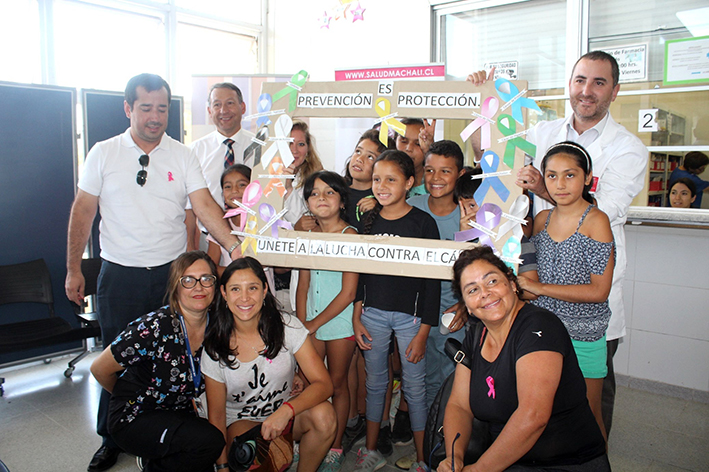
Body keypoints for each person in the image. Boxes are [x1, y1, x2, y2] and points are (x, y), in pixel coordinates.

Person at [65, 73, 241, 471]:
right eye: (146, 108)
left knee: (175, 358)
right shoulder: (103, 152)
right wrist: (73, 268)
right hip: (120, 275)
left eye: (162, 109)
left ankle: (162, 430)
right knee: (118, 357)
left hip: (171, 277)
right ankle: (112, 436)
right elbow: (83, 211)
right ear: (128, 108)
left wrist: (234, 247)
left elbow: (204, 205)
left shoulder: (182, 155)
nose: (155, 117)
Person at [469, 50, 648, 435]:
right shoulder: (542, 133)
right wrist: (487, 106)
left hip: (587, 304)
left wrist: (542, 187)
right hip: (538, 288)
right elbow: (495, 161)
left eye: (599, 82)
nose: (587, 90)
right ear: (570, 84)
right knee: (536, 395)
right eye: (580, 80)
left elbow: (600, 212)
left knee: (589, 405)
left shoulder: (629, 148)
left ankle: (592, 458)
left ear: (615, 91)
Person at [437, 246, 610, 472]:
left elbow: (533, 416)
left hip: (565, 463)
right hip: (506, 461)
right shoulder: (477, 334)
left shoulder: (539, 327)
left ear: (512, 284)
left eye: (492, 281)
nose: (485, 293)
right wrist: (454, 457)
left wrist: (479, 470)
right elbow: (460, 405)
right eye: (472, 290)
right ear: (467, 306)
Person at [89, 251, 225, 472]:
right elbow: (99, 369)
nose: (198, 287)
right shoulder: (153, 326)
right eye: (188, 280)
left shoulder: (217, 327)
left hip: (179, 412)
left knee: (203, 455)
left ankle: (158, 458)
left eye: (206, 279)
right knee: (209, 442)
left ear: (215, 285)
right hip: (137, 414)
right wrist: (125, 396)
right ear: (175, 286)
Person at [517, 142, 615, 440]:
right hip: (544, 332)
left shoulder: (596, 221)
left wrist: (539, 288)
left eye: (569, 175)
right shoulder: (542, 220)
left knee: (588, 415)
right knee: (544, 412)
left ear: (588, 178)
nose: (559, 184)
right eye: (551, 176)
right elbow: (527, 275)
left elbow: (599, 291)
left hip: (584, 334)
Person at [202, 257, 336, 472]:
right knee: (250, 447)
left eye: (252, 288)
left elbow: (324, 384)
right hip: (241, 424)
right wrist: (223, 467)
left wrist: (287, 411)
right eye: (235, 289)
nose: (245, 297)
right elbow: (216, 417)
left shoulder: (287, 326)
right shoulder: (216, 345)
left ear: (265, 290)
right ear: (224, 294)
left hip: (283, 414)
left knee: (324, 415)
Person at [353, 150, 441, 472]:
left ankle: (422, 459)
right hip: (372, 315)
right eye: (377, 179)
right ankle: (371, 450)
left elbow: (432, 282)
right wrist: (356, 315)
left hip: (411, 319)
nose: (381, 186)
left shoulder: (423, 223)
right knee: (375, 385)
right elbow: (360, 274)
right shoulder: (368, 221)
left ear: (409, 183)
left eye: (391, 179)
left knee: (414, 389)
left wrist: (423, 332)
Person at [296, 171, 359, 471]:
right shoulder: (307, 236)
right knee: (310, 383)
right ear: (308, 202)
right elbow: (303, 284)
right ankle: (312, 439)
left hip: (339, 323)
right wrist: (301, 325)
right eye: (314, 193)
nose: (321, 198)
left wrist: (314, 324)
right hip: (310, 321)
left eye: (329, 192)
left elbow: (349, 293)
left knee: (337, 384)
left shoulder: (350, 236)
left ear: (342, 201)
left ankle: (335, 446)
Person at [407, 140, 467, 408]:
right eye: (430, 170)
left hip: (455, 311)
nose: (436, 178)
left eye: (445, 171)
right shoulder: (411, 206)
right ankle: (429, 430)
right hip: (416, 313)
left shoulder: (470, 212)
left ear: (460, 174)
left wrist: (466, 305)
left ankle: (451, 431)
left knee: (454, 378)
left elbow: (482, 267)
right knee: (424, 380)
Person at [187, 82, 256, 251]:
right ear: (210, 111)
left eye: (230, 103)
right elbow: (189, 206)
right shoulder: (194, 152)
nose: (224, 110)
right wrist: (190, 247)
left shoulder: (262, 146)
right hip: (208, 239)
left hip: (253, 239)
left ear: (243, 107)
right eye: (217, 105)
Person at [277, 120, 325, 314]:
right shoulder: (266, 178)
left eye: (301, 144)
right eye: (289, 143)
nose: (294, 150)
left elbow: (310, 222)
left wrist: (288, 188)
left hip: (306, 262)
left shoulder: (319, 179)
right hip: (276, 265)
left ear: (308, 149)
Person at [207, 164, 252, 273]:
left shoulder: (265, 220)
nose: (234, 190)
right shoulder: (219, 224)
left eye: (242, 185)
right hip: (230, 282)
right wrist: (238, 273)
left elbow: (280, 269)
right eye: (228, 186)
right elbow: (210, 268)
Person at [343, 129, 390, 231]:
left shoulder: (384, 198)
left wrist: (379, 208)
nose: (359, 159)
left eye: (370, 157)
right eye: (358, 151)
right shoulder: (336, 190)